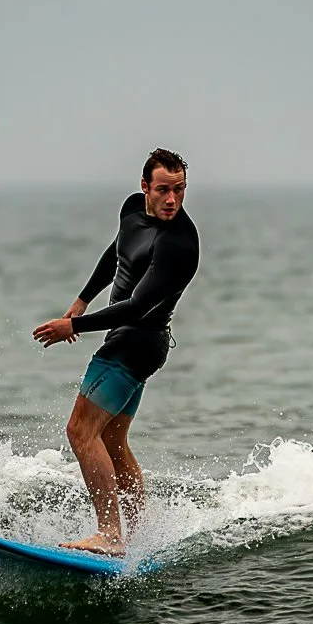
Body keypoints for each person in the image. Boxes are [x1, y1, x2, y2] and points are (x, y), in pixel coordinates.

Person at [31, 148, 199, 555]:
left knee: (80, 431)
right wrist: (83, 299)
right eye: (163, 190)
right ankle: (141, 534)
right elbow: (117, 254)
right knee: (112, 441)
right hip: (133, 342)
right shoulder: (131, 210)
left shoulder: (180, 243)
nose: (172, 200)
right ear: (145, 187)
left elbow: (139, 308)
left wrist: (74, 326)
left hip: (136, 343)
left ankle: (110, 534)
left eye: (179, 190)